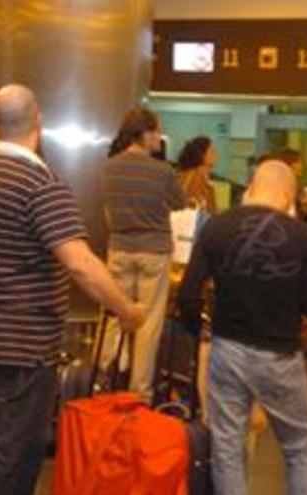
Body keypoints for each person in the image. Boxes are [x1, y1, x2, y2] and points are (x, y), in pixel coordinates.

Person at [0, 84, 143, 495]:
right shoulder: (40, 184)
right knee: (16, 455)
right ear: (38, 122)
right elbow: (80, 263)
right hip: (22, 341)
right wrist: (126, 309)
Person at [177, 159, 307, 495]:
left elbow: (188, 294)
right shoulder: (305, 238)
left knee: (228, 448)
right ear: (289, 194)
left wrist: (198, 331)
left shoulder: (215, 227)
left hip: (227, 349)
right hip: (281, 356)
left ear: (250, 187)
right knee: (298, 447)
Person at [101, 107, 186, 403]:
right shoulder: (162, 171)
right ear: (146, 133)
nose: (159, 139)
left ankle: (105, 378)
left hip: (119, 249)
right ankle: (139, 393)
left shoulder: (109, 167)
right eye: (157, 133)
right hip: (154, 252)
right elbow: (179, 204)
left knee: (116, 315)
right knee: (148, 325)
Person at [176, 135, 218, 213]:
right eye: (211, 151)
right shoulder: (190, 176)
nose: (215, 153)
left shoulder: (206, 181)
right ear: (202, 155)